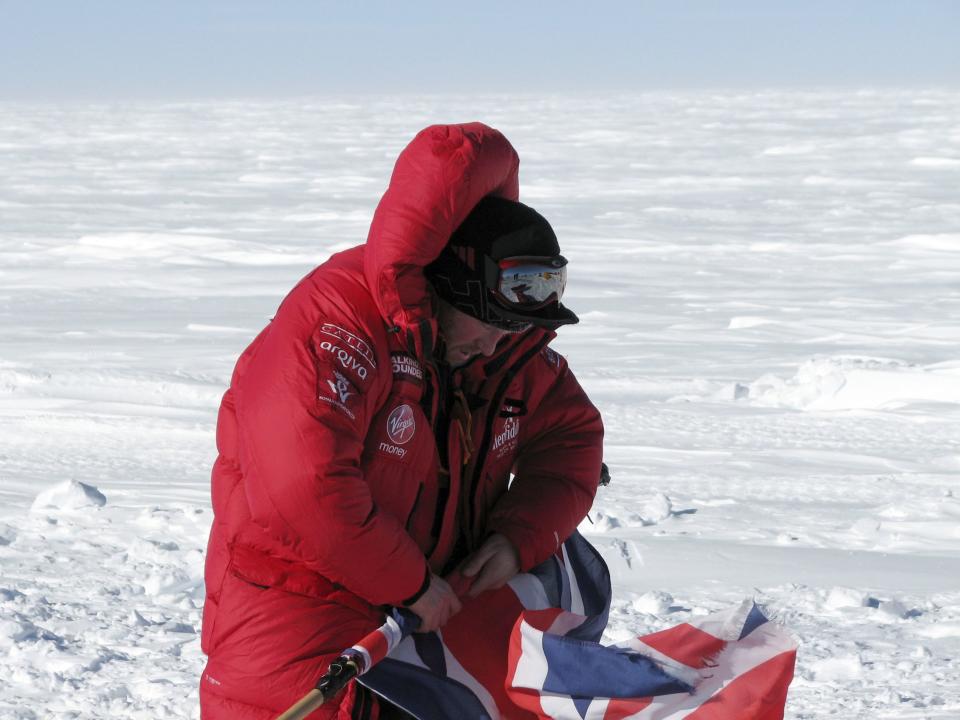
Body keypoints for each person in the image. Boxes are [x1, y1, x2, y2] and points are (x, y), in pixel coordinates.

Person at [199, 123, 604, 719]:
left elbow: (570, 437)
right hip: (303, 603)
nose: (497, 344)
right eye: (489, 322)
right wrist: (408, 584)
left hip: (431, 603)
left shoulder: (498, 347)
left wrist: (520, 539)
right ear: (444, 287)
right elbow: (304, 491)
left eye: (514, 326)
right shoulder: (337, 324)